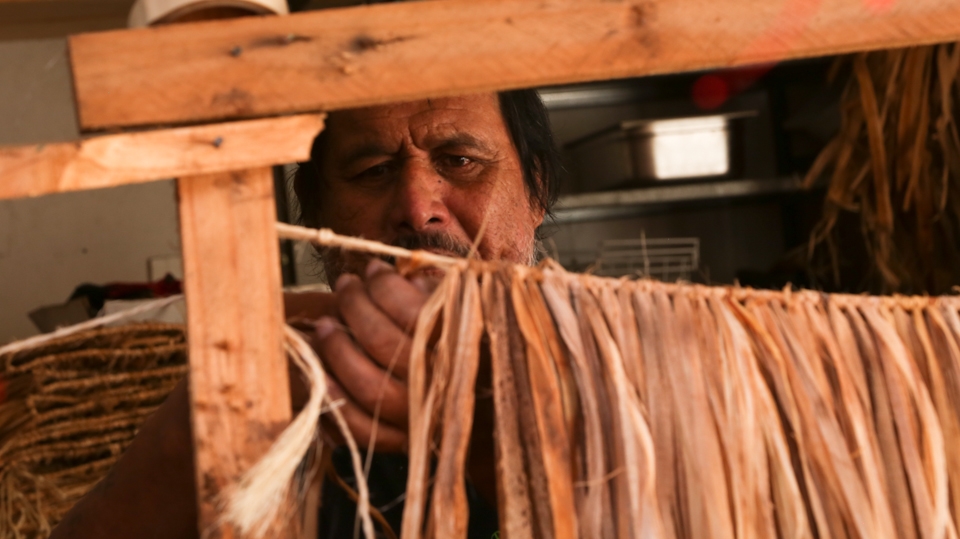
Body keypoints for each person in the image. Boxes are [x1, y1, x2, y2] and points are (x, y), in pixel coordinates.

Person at [49, 90, 561, 538]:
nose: (416, 205)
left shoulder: (619, 379)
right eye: (373, 171)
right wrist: (198, 426)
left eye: (460, 160)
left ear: (535, 191)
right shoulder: (263, 403)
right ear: (314, 210)